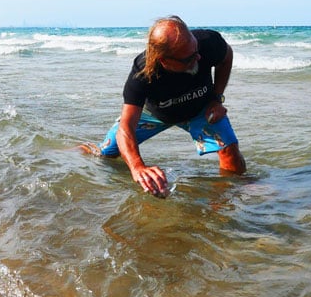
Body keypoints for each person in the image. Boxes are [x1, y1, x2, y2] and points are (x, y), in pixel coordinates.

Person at [93, 15, 246, 197]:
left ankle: (226, 206)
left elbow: (226, 56)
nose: (198, 57)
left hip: (201, 108)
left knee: (230, 154)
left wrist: (216, 98)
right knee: (104, 154)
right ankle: (74, 151)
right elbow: (126, 126)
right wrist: (138, 167)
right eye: (189, 58)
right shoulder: (142, 74)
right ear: (163, 60)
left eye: (196, 49)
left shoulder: (208, 43)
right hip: (156, 114)